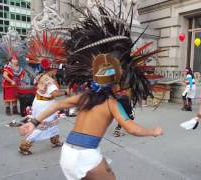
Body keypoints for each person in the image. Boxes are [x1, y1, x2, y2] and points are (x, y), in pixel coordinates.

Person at [20, 3, 163, 180]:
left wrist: (33, 122)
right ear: (116, 83)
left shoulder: (83, 97)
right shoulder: (111, 104)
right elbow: (131, 128)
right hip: (85, 156)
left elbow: (56, 105)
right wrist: (153, 132)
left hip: (68, 154)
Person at [18, 31, 69, 155]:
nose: (57, 71)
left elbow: (38, 86)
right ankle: (25, 145)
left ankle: (55, 140)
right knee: (42, 126)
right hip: (45, 105)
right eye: (56, 68)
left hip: (39, 102)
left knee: (52, 122)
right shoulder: (50, 80)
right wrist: (66, 93)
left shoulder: (40, 75)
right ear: (52, 68)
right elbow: (54, 94)